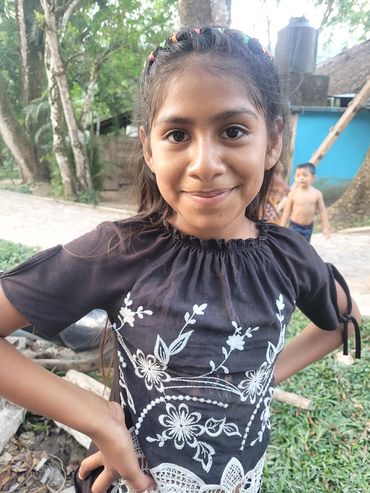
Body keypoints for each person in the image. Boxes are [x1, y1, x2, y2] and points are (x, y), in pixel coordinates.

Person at [0, 27, 361, 493]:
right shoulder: (117, 252)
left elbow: (343, 321)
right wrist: (95, 417)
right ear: (149, 148)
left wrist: (264, 373)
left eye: (233, 131)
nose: (204, 162)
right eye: (177, 134)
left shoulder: (289, 257)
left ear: (272, 140)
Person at [280, 162, 330, 241]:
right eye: (297, 176)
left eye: (305, 175)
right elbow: (286, 212)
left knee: (305, 247)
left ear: (313, 177)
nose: (301, 178)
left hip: (308, 227)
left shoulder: (317, 194)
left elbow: (322, 211)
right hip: (294, 226)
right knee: (293, 245)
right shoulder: (292, 194)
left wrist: (326, 227)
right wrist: (282, 227)